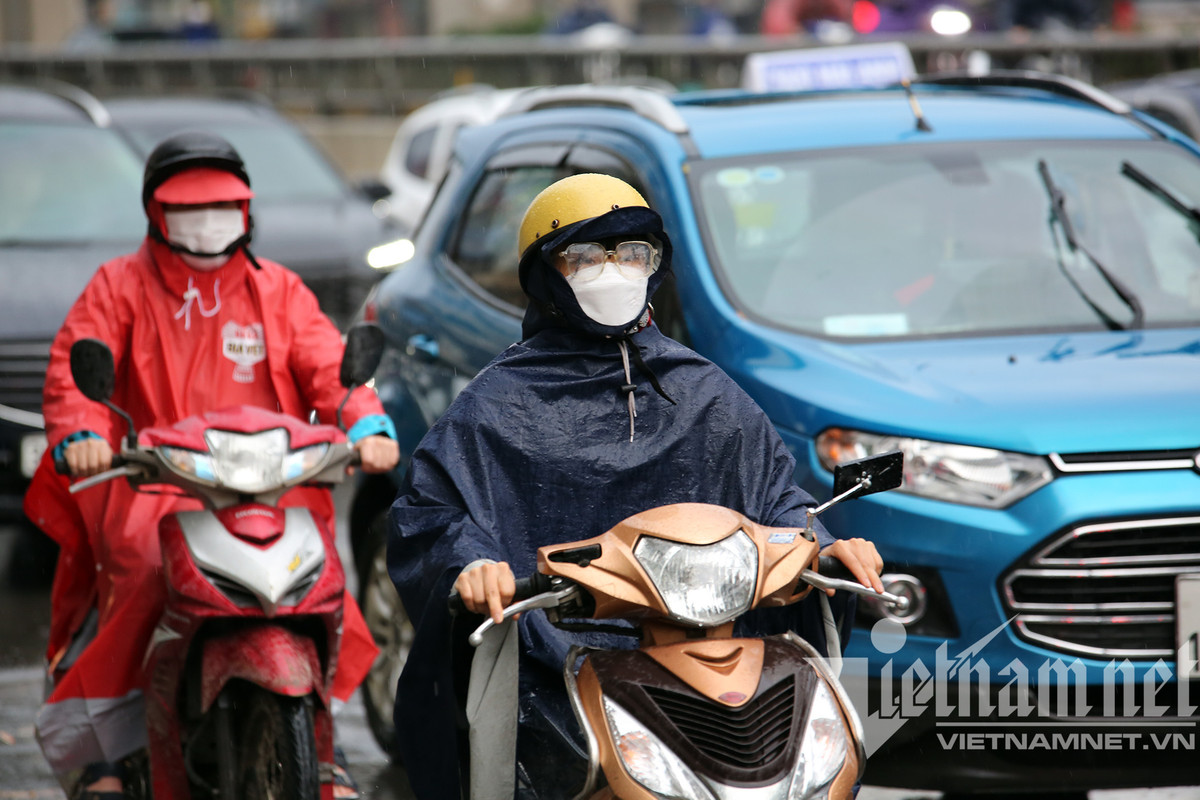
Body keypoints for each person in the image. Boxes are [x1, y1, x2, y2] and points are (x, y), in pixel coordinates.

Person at [388, 173, 883, 800]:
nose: (614, 272)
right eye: (588, 255)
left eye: (633, 254)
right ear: (546, 273)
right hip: (555, 664)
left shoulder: (704, 390)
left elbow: (776, 498)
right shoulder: (494, 406)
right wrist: (471, 563)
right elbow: (432, 511)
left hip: (712, 649)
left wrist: (825, 543)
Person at [22, 131, 400, 800]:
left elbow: (325, 362)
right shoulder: (118, 285)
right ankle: (105, 749)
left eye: (222, 208)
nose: (206, 223)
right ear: (155, 215)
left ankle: (324, 742)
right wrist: (83, 433)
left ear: (247, 214)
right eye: (188, 211)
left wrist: (364, 418)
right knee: (143, 568)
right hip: (156, 485)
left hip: (271, 487)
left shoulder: (278, 290)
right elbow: (75, 376)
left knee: (322, 583)